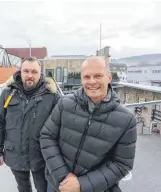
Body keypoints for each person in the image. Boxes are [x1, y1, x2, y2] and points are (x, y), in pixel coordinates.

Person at [40, 56, 137, 192]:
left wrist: (81, 185)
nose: (92, 81)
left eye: (98, 76)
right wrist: (64, 176)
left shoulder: (126, 120)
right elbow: (46, 137)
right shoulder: (64, 104)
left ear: (109, 78)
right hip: (58, 184)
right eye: (87, 77)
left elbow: (122, 164)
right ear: (81, 79)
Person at [0, 57, 60, 192]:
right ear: (20, 72)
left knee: (43, 188)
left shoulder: (51, 96)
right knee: (23, 188)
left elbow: (60, 125)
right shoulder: (8, 93)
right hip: (15, 154)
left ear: (41, 73)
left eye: (34, 72)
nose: (30, 75)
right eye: (26, 71)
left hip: (40, 156)